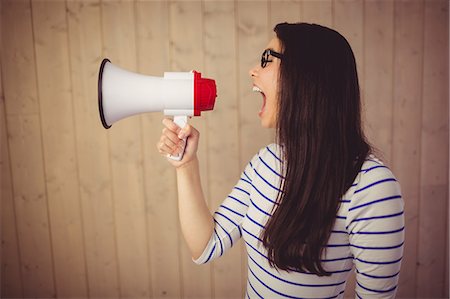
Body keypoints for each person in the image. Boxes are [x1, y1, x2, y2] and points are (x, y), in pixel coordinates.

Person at [157, 22, 404, 298]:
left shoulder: (372, 188)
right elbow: (206, 246)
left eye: (266, 60)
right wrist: (185, 165)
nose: (252, 70)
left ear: (307, 76)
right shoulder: (265, 162)